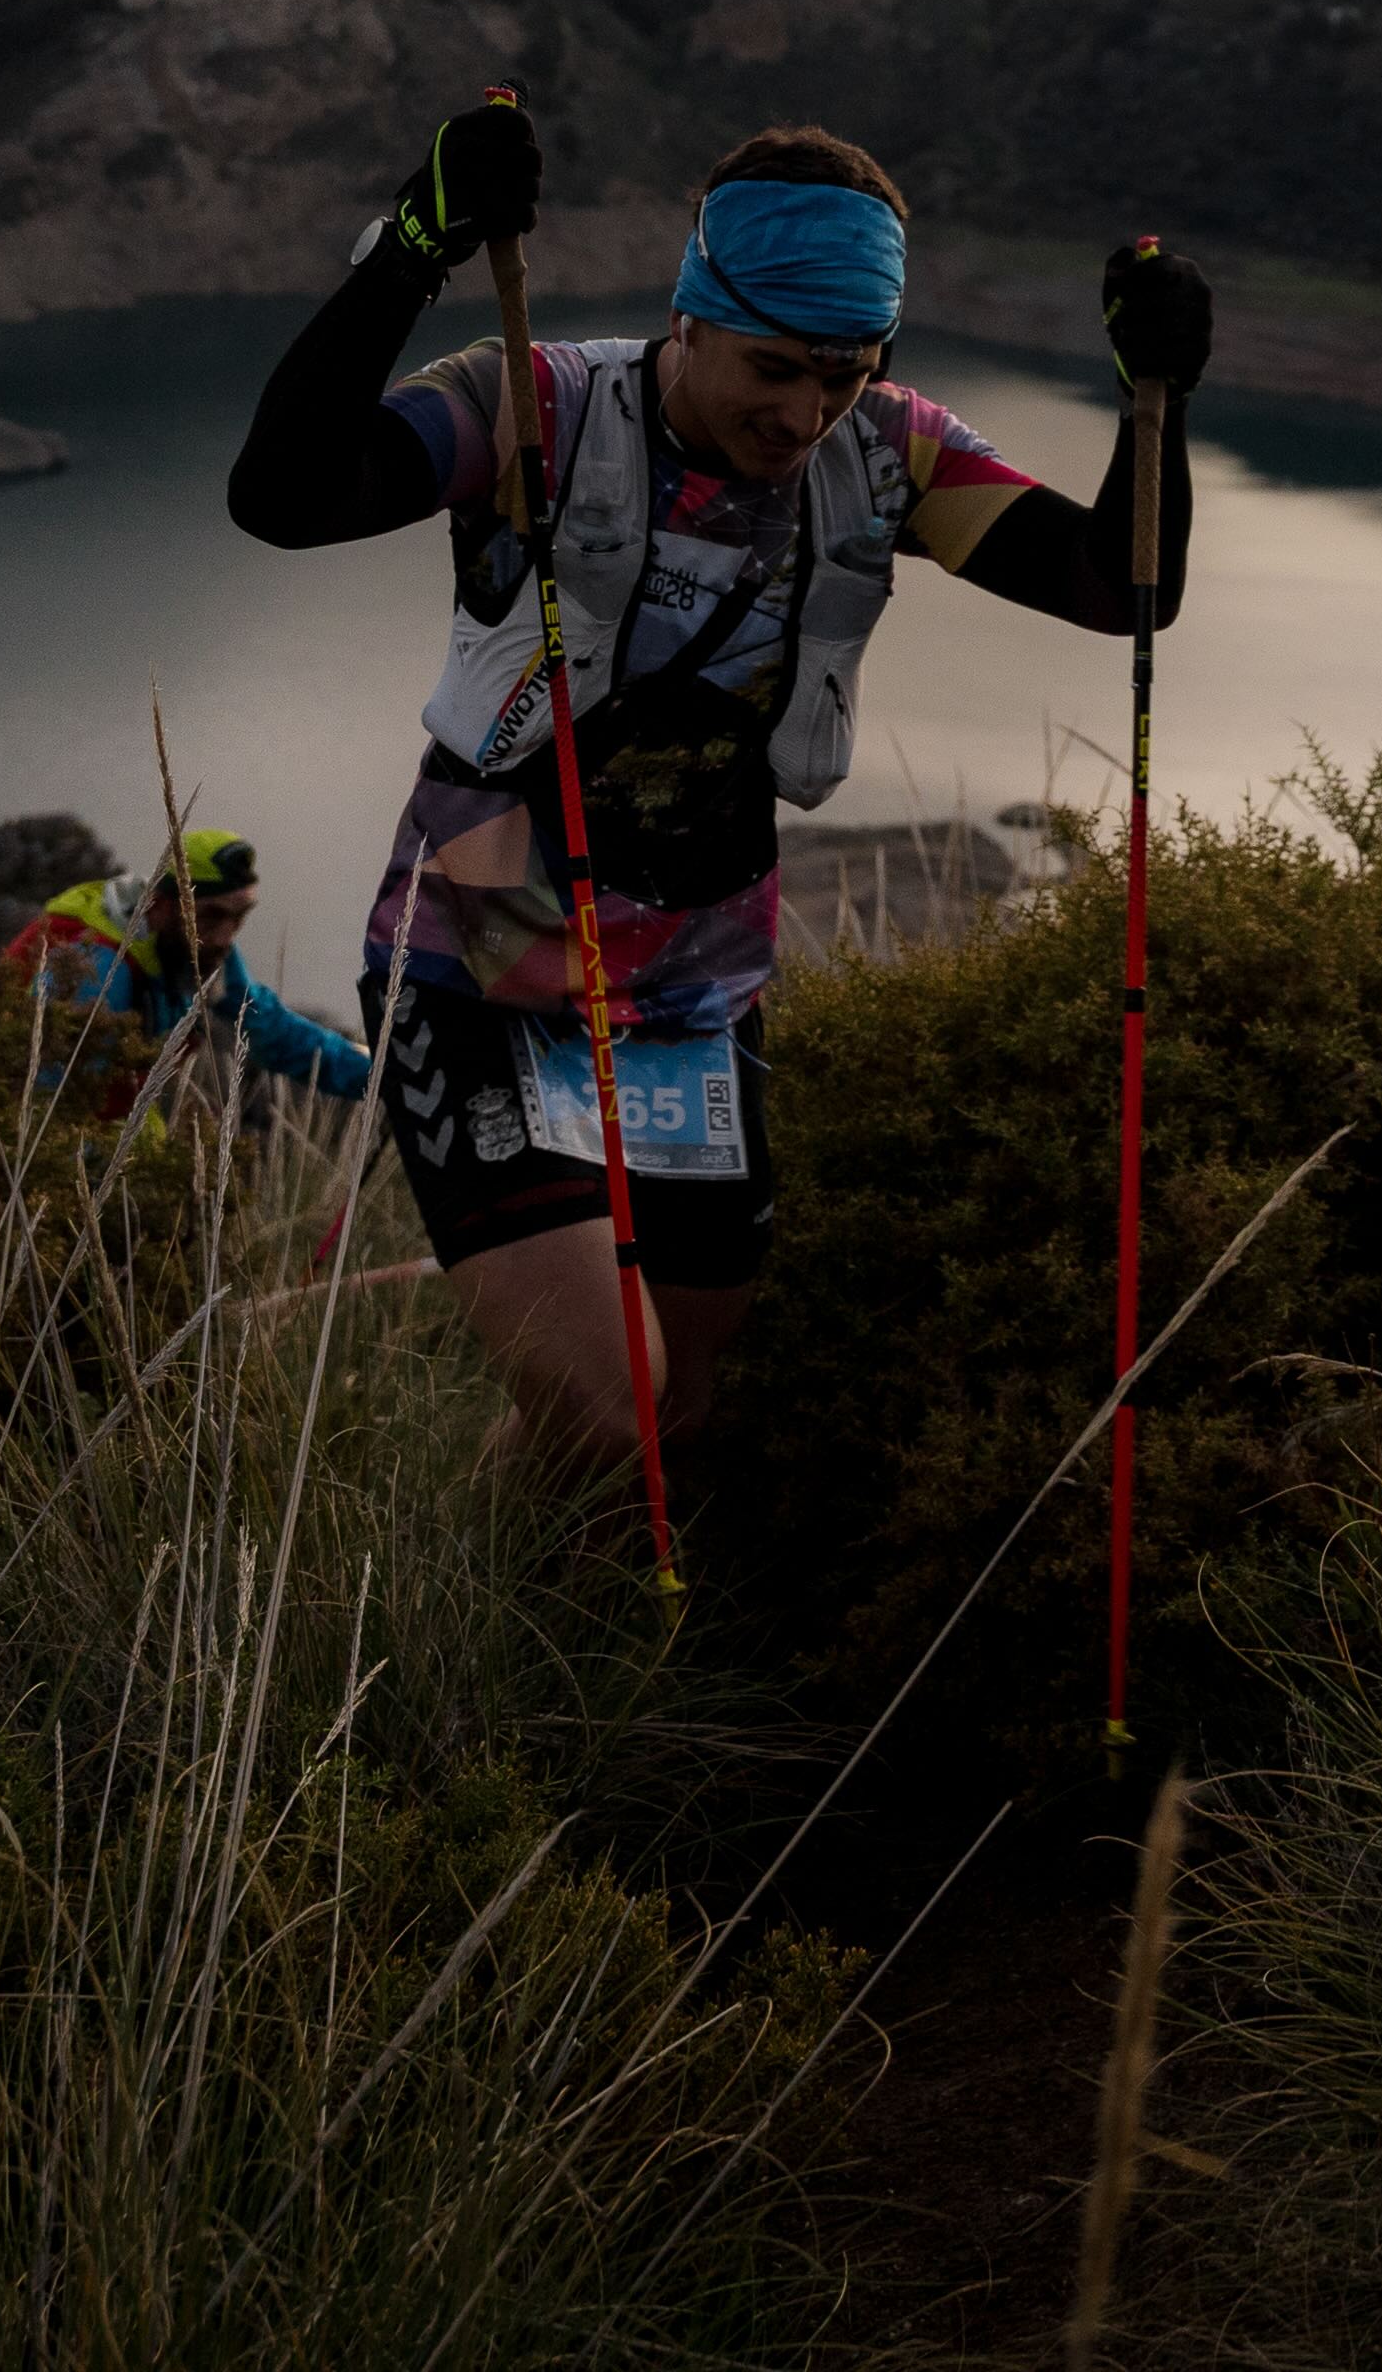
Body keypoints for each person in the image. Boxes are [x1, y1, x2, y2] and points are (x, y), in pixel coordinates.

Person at [224, 100, 1209, 1486]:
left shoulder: (896, 454)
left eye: (846, 374)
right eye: (774, 369)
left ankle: (513, 1620)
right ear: (690, 315)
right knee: (605, 1413)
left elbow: (1124, 588)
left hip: (697, 984)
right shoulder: (533, 402)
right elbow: (287, 494)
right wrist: (411, 252)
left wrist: (1154, 405)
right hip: (487, 954)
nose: (805, 415)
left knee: (677, 1420)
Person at [0, 825, 372, 1120]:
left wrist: (381, 1076)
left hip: (122, 1123)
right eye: (212, 916)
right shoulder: (97, 968)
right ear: (160, 905)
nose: (226, 937)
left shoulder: (200, 952)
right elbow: (47, 1107)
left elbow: (274, 1032)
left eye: (239, 918)